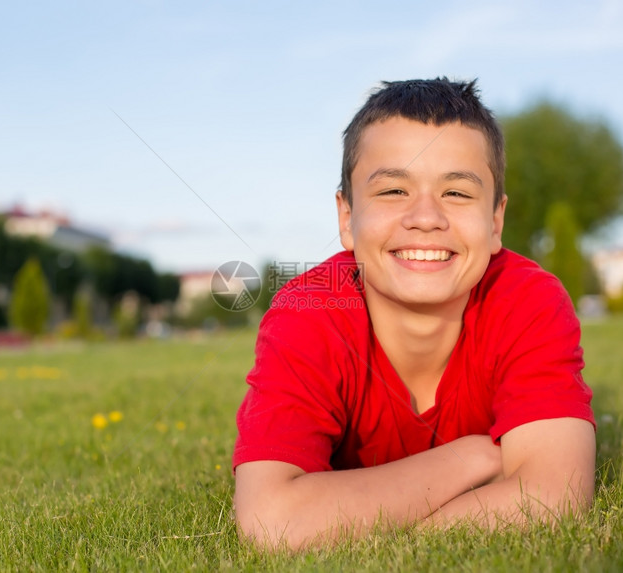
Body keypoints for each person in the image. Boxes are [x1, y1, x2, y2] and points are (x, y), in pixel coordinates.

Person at [232, 78, 596, 551]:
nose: (426, 217)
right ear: (346, 218)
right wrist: (471, 458)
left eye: (458, 194)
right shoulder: (309, 311)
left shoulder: (528, 301)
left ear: (495, 222)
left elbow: (555, 497)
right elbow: (272, 521)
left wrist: (361, 526)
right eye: (393, 191)